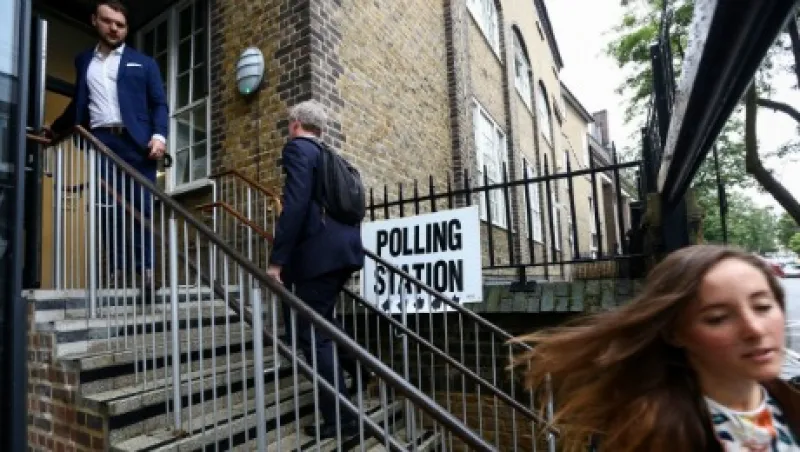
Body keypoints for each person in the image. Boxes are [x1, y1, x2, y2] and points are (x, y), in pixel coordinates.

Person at [513, 244, 800, 452]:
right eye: (717, 318)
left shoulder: (788, 402)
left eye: (763, 306)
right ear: (676, 334)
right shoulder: (649, 434)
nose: (755, 329)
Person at [44, 0, 168, 289]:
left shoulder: (144, 63)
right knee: (107, 207)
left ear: (126, 29)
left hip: (137, 144)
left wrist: (159, 136)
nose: (114, 28)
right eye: (108, 21)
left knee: (140, 207)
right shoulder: (83, 61)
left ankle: (145, 270)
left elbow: (159, 104)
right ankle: (116, 269)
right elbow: (80, 103)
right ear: (94, 21)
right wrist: (56, 127)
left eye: (120, 24)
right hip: (101, 141)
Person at [267, 100, 366, 438]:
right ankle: (359, 369)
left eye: (289, 124)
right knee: (325, 321)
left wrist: (277, 260)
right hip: (345, 252)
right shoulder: (332, 157)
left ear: (296, 124)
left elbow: (293, 205)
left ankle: (343, 422)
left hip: (319, 257)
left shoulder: (298, 150)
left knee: (313, 335)